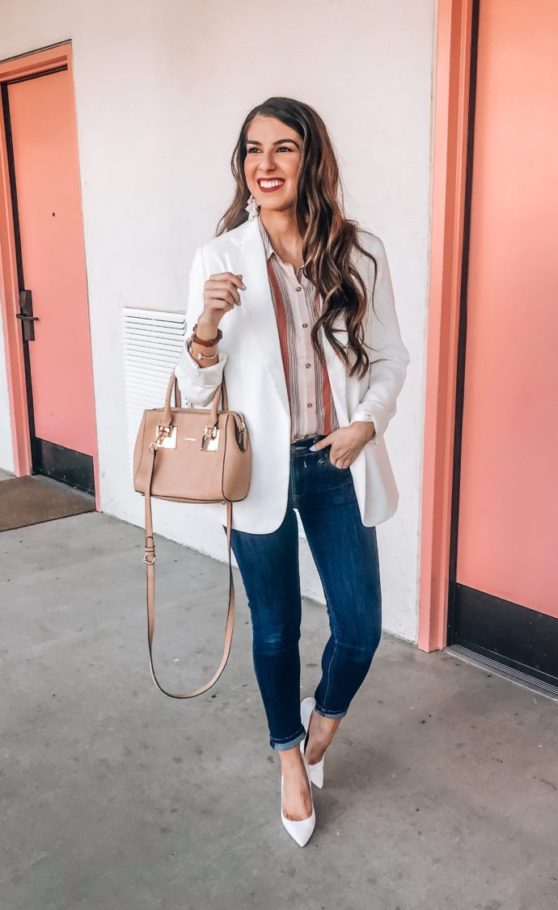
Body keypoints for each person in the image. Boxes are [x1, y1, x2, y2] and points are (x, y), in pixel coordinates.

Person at [174, 96, 409, 846]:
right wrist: (205, 331)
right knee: (275, 631)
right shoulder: (219, 258)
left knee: (360, 628)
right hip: (256, 473)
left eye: (282, 149)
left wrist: (365, 422)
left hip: (335, 465)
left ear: (310, 158)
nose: (264, 165)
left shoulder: (358, 250)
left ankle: (317, 736)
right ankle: (286, 762)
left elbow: (391, 358)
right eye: (251, 150)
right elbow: (204, 392)